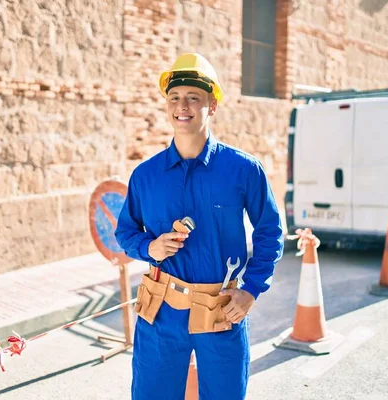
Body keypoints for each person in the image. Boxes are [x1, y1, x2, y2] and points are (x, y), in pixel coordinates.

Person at [114, 53, 283, 400]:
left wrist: (251, 289)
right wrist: (150, 248)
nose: (183, 106)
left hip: (221, 309)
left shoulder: (242, 170)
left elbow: (270, 230)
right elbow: (125, 232)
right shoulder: (146, 176)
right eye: (174, 97)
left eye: (194, 97)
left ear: (212, 105)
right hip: (161, 312)